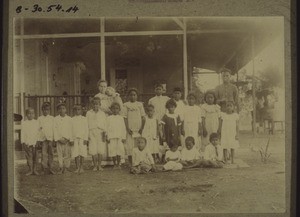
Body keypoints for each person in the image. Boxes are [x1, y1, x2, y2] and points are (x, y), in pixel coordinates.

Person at [123, 88, 146, 166]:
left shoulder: (140, 104)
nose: (132, 96)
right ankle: (130, 162)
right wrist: (127, 128)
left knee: (138, 145)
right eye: (131, 95)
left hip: (138, 128)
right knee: (130, 146)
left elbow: (143, 117)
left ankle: (138, 161)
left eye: (134, 95)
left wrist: (142, 128)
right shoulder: (126, 105)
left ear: (137, 96)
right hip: (130, 128)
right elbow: (125, 117)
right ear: (128, 96)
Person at [86, 97, 107, 171]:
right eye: (94, 104)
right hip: (92, 131)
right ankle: (95, 165)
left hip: (100, 132)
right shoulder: (89, 113)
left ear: (100, 104)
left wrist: (104, 133)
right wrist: (87, 134)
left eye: (97, 104)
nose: (95, 106)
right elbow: (87, 124)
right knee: (93, 148)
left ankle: (99, 165)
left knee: (100, 149)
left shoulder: (102, 113)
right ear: (92, 104)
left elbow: (105, 124)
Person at [54, 103, 73, 174]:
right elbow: (55, 129)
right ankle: (61, 167)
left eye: (63, 108)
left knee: (67, 154)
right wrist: (58, 139)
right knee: (60, 154)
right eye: (60, 109)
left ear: (66, 109)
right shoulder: (55, 119)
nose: (62, 110)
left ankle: (66, 168)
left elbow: (71, 129)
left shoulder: (69, 119)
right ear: (58, 110)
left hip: (67, 140)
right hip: (59, 140)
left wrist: (69, 139)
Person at [106, 102, 126, 169]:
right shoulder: (108, 118)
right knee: (113, 150)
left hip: (119, 137)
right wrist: (107, 137)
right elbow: (106, 128)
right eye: (113, 108)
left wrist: (123, 137)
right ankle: (114, 164)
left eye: (117, 108)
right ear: (111, 109)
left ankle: (118, 164)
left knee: (119, 150)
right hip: (111, 137)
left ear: (119, 109)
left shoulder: (121, 118)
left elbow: (123, 128)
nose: (115, 110)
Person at [38, 102, 55, 175]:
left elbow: (54, 129)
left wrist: (54, 139)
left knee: (51, 153)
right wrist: (39, 139)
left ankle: (51, 168)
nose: (46, 111)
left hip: (50, 139)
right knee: (43, 154)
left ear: (49, 110)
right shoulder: (40, 118)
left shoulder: (52, 118)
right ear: (42, 110)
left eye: (47, 110)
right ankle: (43, 168)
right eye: (44, 110)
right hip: (43, 139)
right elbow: (38, 129)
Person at [21, 108, 40, 176]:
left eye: (32, 113)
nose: (30, 115)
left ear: (34, 114)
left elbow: (38, 133)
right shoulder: (24, 123)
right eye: (29, 113)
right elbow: (22, 133)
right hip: (27, 143)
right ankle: (30, 169)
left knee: (35, 157)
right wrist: (23, 142)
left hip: (35, 142)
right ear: (26, 115)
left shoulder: (36, 122)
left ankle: (35, 170)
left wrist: (38, 141)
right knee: (29, 157)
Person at [71, 104, 89, 174]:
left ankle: (81, 167)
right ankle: (77, 167)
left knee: (82, 152)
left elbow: (86, 129)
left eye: (79, 109)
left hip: (82, 138)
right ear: (74, 111)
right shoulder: (72, 119)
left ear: (81, 111)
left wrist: (85, 139)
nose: (77, 111)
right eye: (76, 110)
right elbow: (70, 130)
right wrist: (71, 139)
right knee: (76, 153)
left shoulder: (84, 119)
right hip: (75, 138)